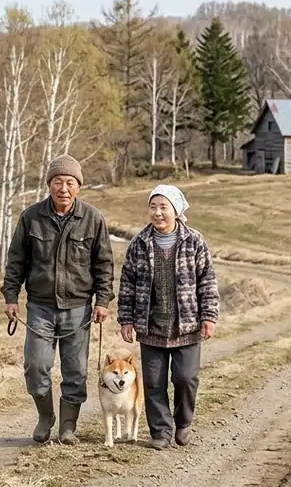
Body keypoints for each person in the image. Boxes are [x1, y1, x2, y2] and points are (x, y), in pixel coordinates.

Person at [2, 154, 116, 445]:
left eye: (69, 182)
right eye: (57, 182)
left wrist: (102, 300)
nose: (62, 188)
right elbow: (16, 261)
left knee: (75, 370)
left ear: (78, 186)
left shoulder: (93, 218)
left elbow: (104, 263)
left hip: (79, 308)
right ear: (49, 185)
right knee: (36, 365)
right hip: (40, 306)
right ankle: (45, 417)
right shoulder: (31, 217)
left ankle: (68, 426)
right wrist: (11, 297)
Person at [116, 184, 219, 450]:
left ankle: (183, 423)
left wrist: (208, 316)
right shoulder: (139, 243)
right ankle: (160, 431)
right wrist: (126, 319)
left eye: (164, 207)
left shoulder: (194, 241)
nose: (158, 213)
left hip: (187, 326)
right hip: (150, 326)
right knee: (153, 382)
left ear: (176, 210)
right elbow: (127, 283)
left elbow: (207, 281)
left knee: (185, 378)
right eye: (153, 207)